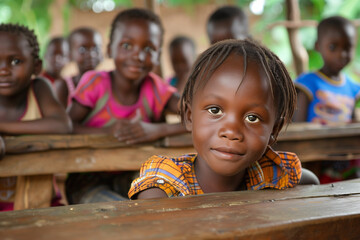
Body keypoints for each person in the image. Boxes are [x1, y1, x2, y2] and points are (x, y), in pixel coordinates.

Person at [128, 39, 302, 199]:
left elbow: (311, 184)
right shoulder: (162, 190)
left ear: (274, 130)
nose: (231, 132)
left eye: (252, 118)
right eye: (215, 110)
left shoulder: (274, 174)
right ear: (189, 117)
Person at [66, 8, 187, 204]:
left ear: (158, 54)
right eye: (127, 45)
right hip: (87, 179)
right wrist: (108, 131)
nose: (138, 56)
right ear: (109, 49)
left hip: (136, 173)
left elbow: (198, 114)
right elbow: (65, 126)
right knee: (117, 213)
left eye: (148, 49)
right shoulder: (95, 83)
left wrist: (156, 130)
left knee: (162, 204)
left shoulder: (156, 88)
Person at [0, 23, 72, 211]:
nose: (4, 70)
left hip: (42, 204)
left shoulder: (39, 88)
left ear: (36, 66)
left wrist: (2, 127)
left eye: (15, 61)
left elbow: (62, 125)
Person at [293, 16, 360, 183]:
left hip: (343, 157)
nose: (342, 54)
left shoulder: (352, 87)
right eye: (333, 47)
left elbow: (354, 124)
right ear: (318, 46)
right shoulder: (308, 83)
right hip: (313, 158)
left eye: (348, 47)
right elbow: (297, 127)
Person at [55, 27, 103, 107]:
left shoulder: (108, 82)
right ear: (69, 54)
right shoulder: (63, 85)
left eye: (96, 48)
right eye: (82, 49)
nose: (91, 54)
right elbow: (60, 118)